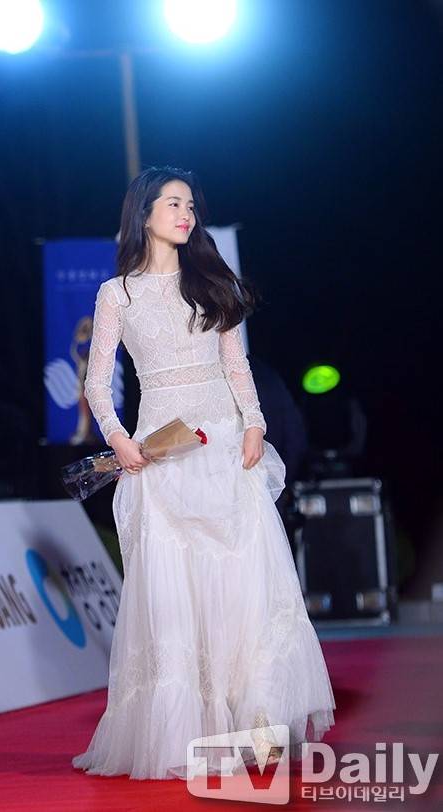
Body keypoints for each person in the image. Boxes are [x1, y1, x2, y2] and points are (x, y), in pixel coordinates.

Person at [72, 166, 335, 780]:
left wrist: (254, 424)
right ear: (144, 214)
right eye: (172, 203)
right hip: (162, 453)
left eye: (190, 204)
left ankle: (258, 720)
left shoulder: (214, 283)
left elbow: (236, 365)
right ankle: (186, 729)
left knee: (247, 582)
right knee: (175, 591)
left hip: (223, 448)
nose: (185, 213)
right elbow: (96, 382)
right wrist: (118, 439)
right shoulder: (118, 294)